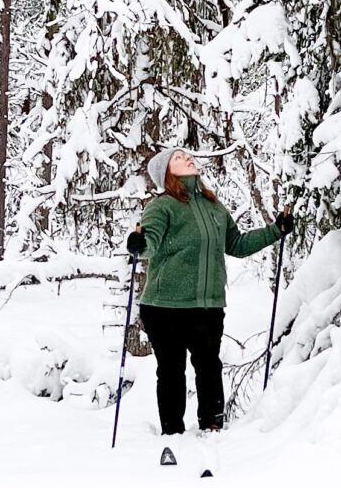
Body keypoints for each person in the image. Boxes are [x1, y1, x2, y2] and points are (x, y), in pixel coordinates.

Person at [125, 146, 293, 436]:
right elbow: (149, 241)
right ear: (166, 173)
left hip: (207, 306)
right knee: (171, 371)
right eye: (178, 158)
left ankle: (213, 426)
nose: (187, 158)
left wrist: (276, 230)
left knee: (209, 367)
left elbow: (237, 244)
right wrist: (139, 245)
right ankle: (172, 431)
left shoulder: (215, 207)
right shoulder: (162, 206)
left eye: (186, 155)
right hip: (165, 307)